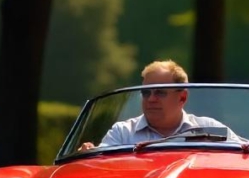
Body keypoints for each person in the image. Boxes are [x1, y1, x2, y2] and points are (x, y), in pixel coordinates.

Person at [78, 59, 238, 151]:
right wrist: (89, 154)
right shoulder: (123, 133)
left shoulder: (209, 129)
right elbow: (102, 167)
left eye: (160, 92)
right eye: (146, 93)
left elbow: (246, 156)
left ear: (182, 98)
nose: (151, 99)